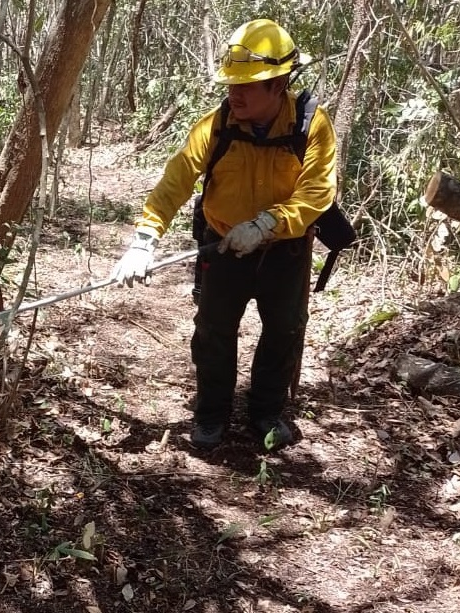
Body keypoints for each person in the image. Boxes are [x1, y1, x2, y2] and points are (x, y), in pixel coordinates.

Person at [111, 19, 337, 450]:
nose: (235, 93)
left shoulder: (311, 126)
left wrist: (269, 223)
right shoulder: (215, 127)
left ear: (278, 84)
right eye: (232, 83)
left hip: (285, 252)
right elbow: (176, 179)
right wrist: (144, 238)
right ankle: (211, 415)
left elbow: (318, 191)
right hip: (223, 247)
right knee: (214, 331)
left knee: (284, 329)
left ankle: (265, 412)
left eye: (247, 86)